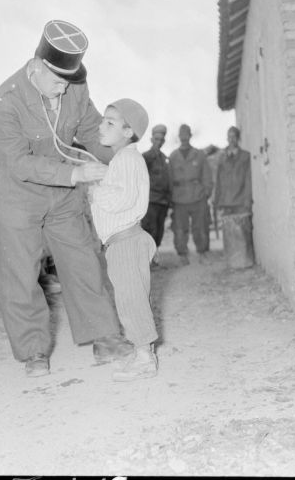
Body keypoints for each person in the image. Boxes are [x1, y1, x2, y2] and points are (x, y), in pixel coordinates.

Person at [0, 19, 131, 377]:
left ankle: (105, 337)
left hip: (63, 195)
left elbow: (92, 132)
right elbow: (19, 162)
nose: (63, 90)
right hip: (18, 198)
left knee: (84, 261)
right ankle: (34, 352)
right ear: (35, 67)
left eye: (69, 82)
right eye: (56, 82)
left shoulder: (73, 88)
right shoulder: (5, 101)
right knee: (20, 274)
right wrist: (74, 174)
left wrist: (124, 158)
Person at [89, 99, 158, 382]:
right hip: (121, 242)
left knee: (132, 300)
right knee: (130, 299)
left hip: (126, 242)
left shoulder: (128, 158)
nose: (101, 126)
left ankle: (144, 359)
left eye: (110, 122)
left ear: (129, 132)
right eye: (103, 120)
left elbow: (124, 199)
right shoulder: (121, 160)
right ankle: (142, 352)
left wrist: (96, 191)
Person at [168, 124, 213, 266]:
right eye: (181, 134)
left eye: (186, 133)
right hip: (179, 197)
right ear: (179, 136)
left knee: (201, 226)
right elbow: (169, 178)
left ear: (190, 135)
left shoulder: (199, 154)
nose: (184, 136)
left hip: (197, 195)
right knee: (180, 228)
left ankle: (203, 253)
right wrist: (170, 196)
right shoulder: (173, 156)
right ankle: (182, 255)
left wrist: (206, 191)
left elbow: (206, 174)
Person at [141, 124, 172, 268]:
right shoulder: (145, 157)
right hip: (150, 200)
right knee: (150, 229)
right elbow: (139, 178)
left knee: (159, 230)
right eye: (156, 138)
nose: (159, 142)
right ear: (151, 139)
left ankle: (154, 256)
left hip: (163, 201)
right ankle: (148, 260)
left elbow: (168, 180)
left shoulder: (165, 159)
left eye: (162, 139)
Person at [213, 126, 252, 215]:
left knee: (242, 228)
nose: (231, 139)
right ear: (227, 138)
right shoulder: (221, 158)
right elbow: (218, 181)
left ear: (238, 138)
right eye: (229, 137)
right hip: (225, 203)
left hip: (240, 203)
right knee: (227, 228)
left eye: (234, 137)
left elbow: (248, 180)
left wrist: (247, 201)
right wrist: (216, 201)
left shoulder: (245, 156)